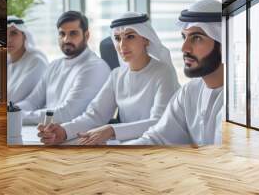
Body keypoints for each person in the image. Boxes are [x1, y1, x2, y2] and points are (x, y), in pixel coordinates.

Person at [39, 12, 180, 145]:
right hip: (128, 148)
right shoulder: (117, 75)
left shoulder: (164, 72)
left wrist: (111, 130)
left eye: (130, 37)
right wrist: (63, 131)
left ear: (146, 40)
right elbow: (94, 116)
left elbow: (159, 122)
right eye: (118, 38)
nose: (122, 45)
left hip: (159, 148)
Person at [124, 0, 224, 146]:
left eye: (196, 38)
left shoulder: (237, 102)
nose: (184, 48)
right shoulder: (189, 91)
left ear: (223, 44)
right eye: (184, 37)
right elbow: (157, 138)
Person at [16, 11, 111, 125]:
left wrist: (17, 116)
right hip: (49, 132)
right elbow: (32, 102)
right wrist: (12, 110)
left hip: (76, 138)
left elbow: (67, 114)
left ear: (86, 36)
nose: (66, 40)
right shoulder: (54, 65)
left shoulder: (95, 67)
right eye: (62, 34)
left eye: (73, 33)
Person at [7, 16, 49, 104]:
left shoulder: (36, 61)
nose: (8, 39)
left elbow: (14, 98)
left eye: (14, 33)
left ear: (25, 36)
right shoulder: (7, 60)